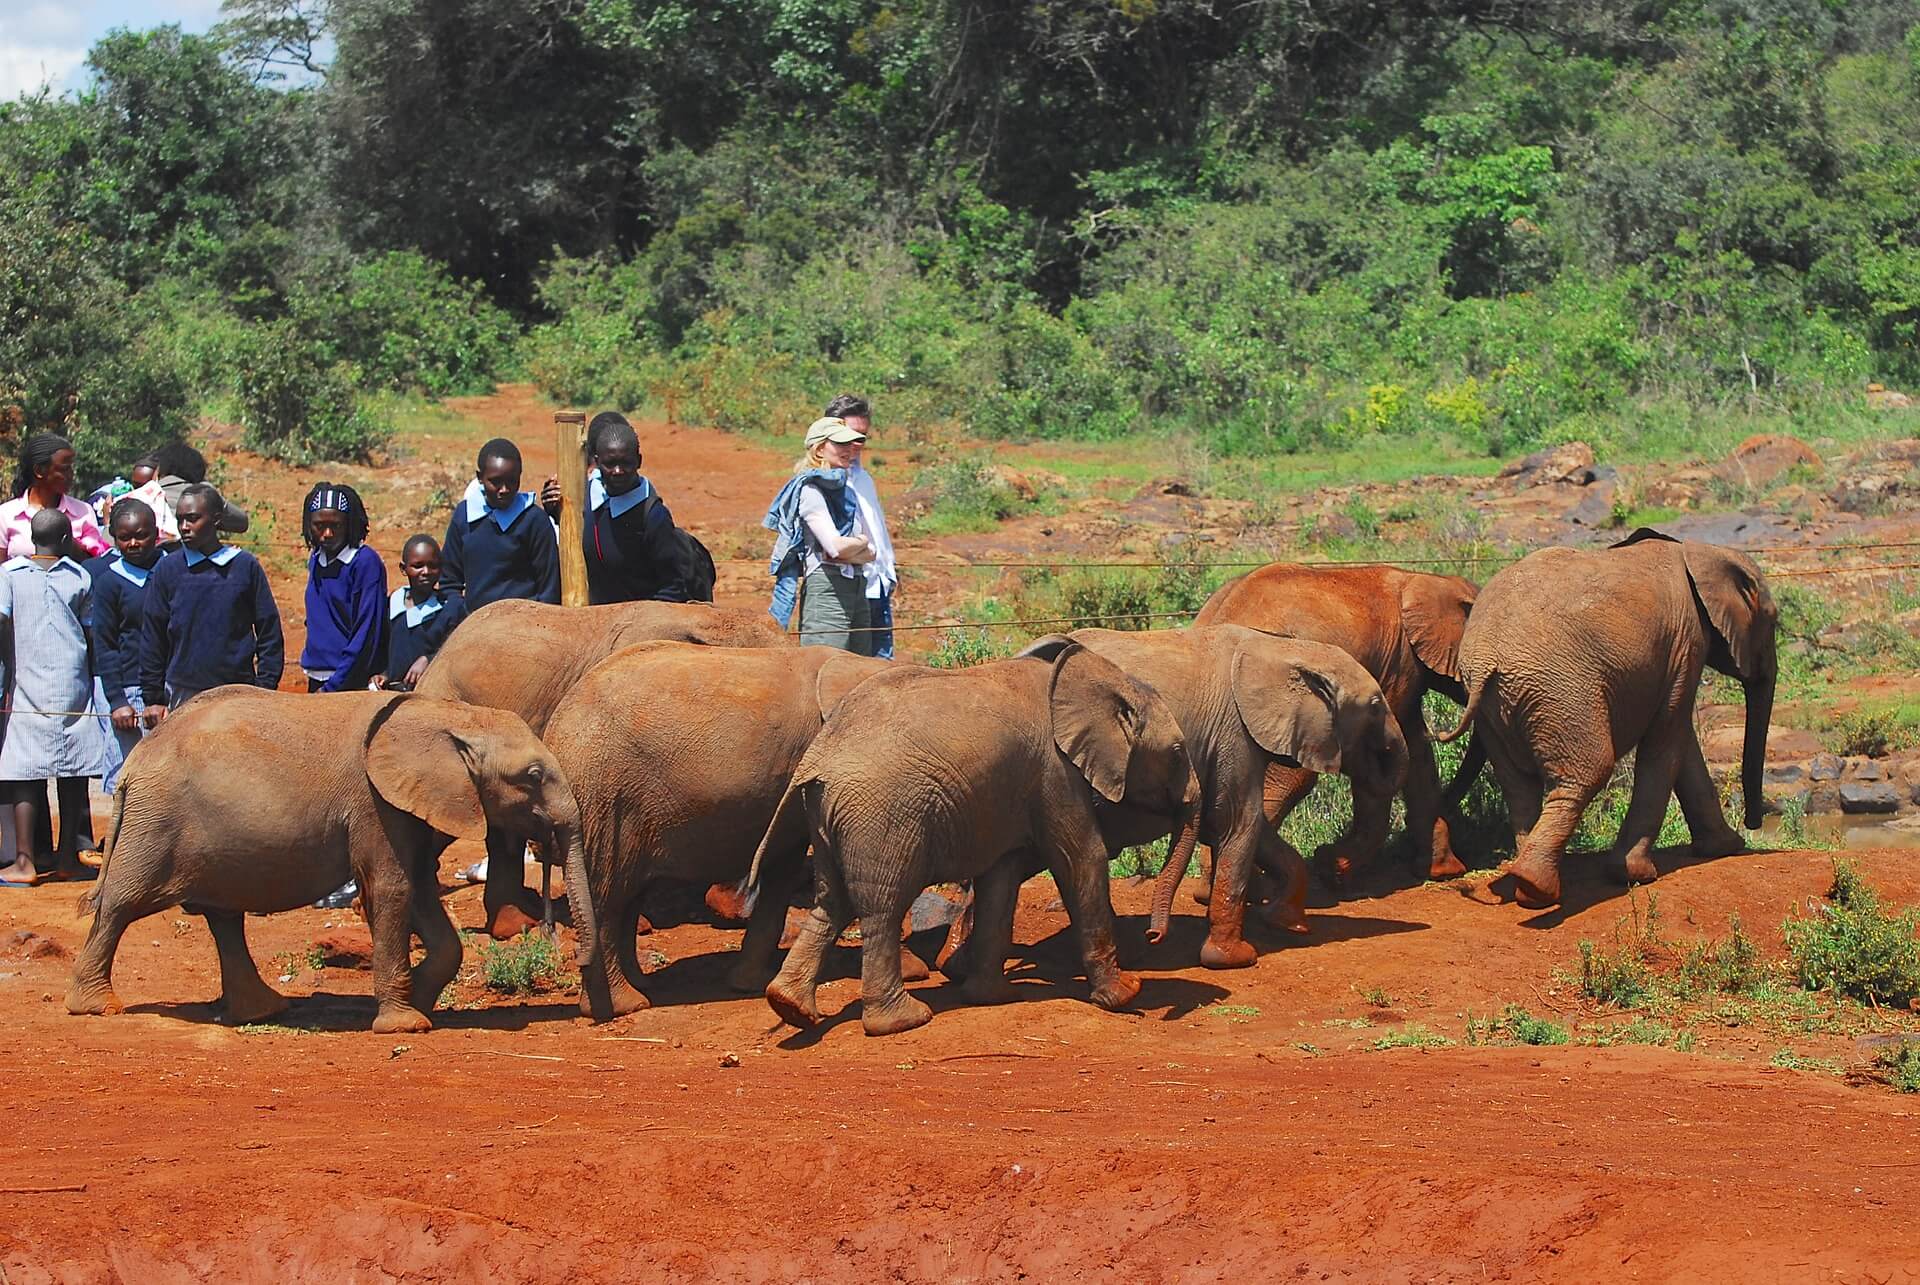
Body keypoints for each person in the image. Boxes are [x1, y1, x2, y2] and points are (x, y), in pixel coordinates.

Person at [0, 508, 110, 885]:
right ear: (66, 540)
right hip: (72, 682)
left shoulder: (9, 575)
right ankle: (67, 858)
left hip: (27, 681)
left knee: (24, 772)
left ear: (31, 537)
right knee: (73, 771)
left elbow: (1, 620)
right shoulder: (79, 575)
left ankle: (24, 862)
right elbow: (91, 630)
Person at [139, 483, 284, 724]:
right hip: (182, 692)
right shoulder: (168, 569)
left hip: (238, 693)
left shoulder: (244, 566)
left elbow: (269, 630)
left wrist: (265, 687)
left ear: (216, 520)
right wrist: (153, 697)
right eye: (180, 519)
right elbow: (153, 635)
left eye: (193, 519)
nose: (184, 527)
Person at [763, 416, 875, 653]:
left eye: (850, 444)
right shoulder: (810, 490)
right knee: (825, 667)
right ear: (819, 449)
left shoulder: (848, 491)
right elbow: (835, 547)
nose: (848, 450)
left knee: (863, 670)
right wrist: (860, 544)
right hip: (827, 589)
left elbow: (872, 552)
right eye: (839, 444)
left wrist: (855, 547)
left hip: (856, 584)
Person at [84, 497, 163, 795]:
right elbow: (106, 643)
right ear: (114, 539)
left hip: (169, 684)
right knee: (127, 775)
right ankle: (122, 838)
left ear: (156, 534)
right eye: (124, 537)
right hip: (130, 687)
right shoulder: (109, 582)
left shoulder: (171, 572)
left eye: (141, 535)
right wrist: (117, 700)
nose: (133, 544)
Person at [440, 438, 560, 610]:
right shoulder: (465, 516)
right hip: (475, 625)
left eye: (512, 481)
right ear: (480, 478)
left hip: (523, 626)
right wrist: (461, 614)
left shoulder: (533, 520)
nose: (504, 490)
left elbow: (549, 587)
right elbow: (449, 581)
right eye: (495, 482)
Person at [823, 393, 897, 659]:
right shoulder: (824, 481)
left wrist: (888, 571)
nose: (855, 444)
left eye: (862, 437)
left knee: (882, 665)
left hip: (878, 585)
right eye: (850, 435)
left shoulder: (863, 478)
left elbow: (876, 530)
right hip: (848, 588)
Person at [299, 482, 388, 693]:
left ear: (349, 524)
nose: (327, 533)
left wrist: (333, 686)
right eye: (319, 526)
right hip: (317, 676)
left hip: (348, 683)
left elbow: (365, 633)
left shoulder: (364, 562)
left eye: (336, 525)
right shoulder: (317, 559)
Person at [0, 433, 110, 561]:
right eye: (64, 469)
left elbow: (93, 563)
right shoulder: (5, 515)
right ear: (39, 471)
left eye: (71, 468)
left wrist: (65, 539)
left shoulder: (84, 511)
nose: (71, 474)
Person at [378, 534, 464, 691]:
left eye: (433, 566)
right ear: (403, 569)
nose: (426, 572)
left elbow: (459, 651)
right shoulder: (392, 604)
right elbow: (384, 650)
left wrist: (429, 659)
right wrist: (383, 674)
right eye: (418, 566)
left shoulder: (451, 608)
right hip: (392, 694)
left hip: (431, 694)